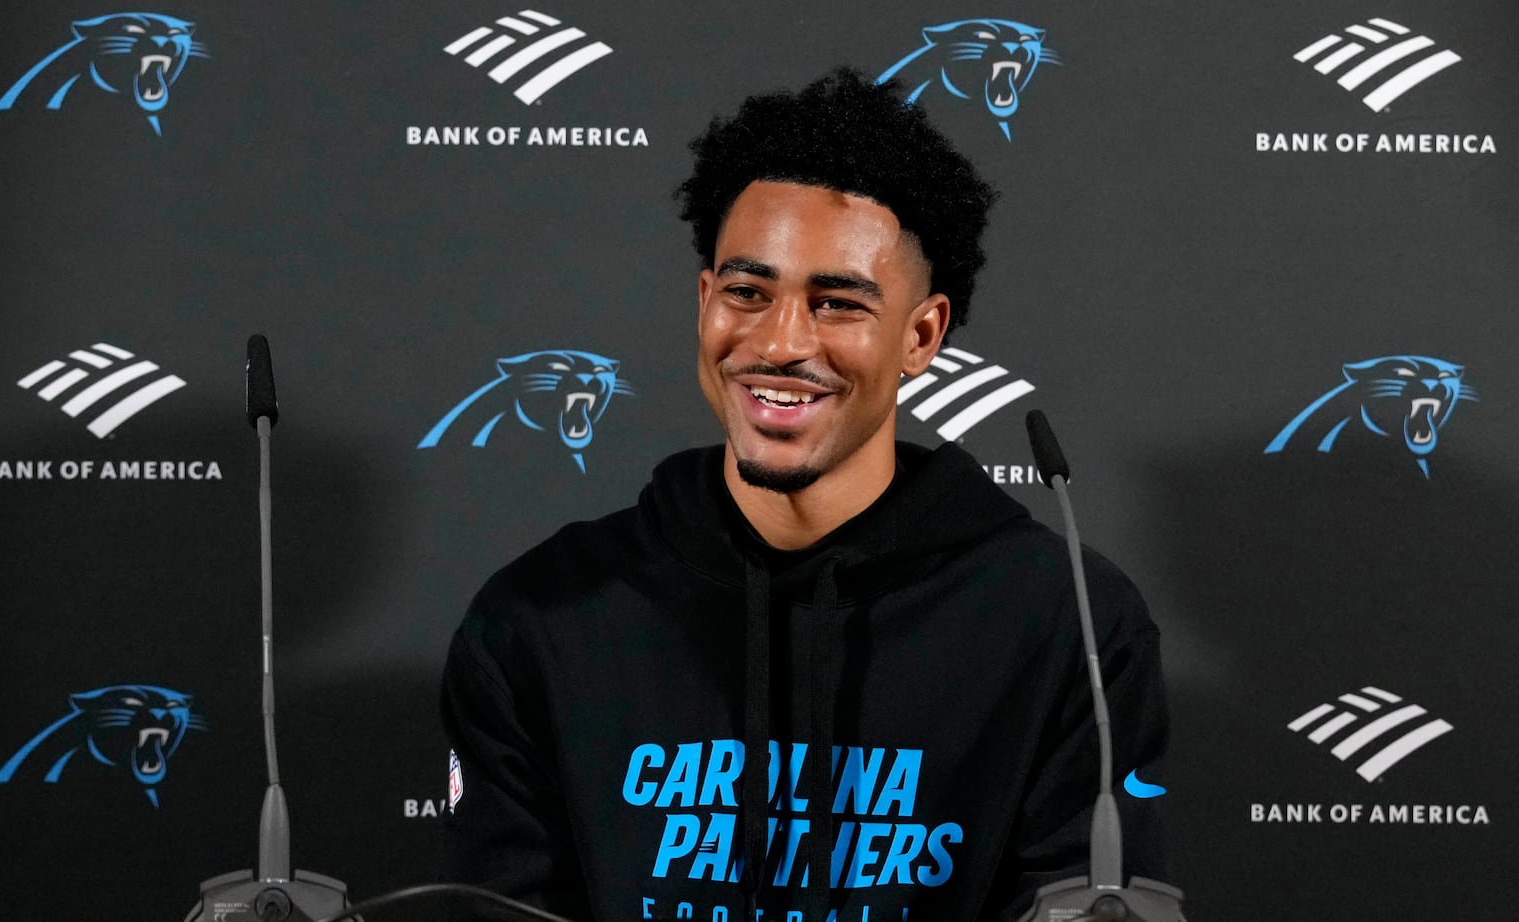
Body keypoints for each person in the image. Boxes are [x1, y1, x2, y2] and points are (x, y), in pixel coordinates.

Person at [440, 68, 1171, 922]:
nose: (782, 342)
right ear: (706, 301)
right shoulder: (541, 619)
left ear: (922, 334)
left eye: (838, 304)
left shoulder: (1070, 623)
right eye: (748, 293)